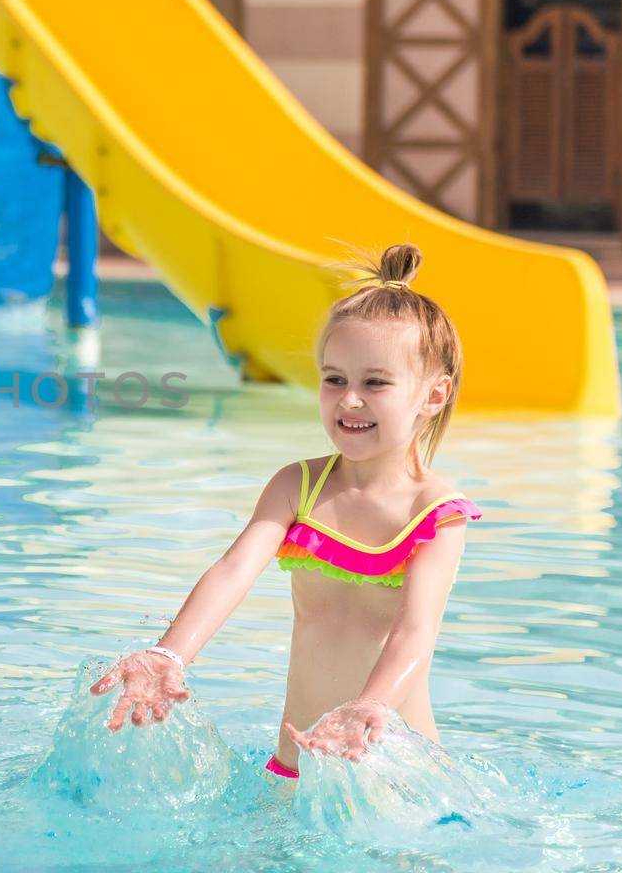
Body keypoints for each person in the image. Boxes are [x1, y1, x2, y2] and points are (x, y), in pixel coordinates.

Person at [90, 244, 482, 781]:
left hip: (393, 766)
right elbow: (233, 570)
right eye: (334, 379)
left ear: (433, 396)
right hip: (294, 762)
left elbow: (415, 631)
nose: (349, 400)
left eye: (375, 383)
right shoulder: (298, 486)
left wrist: (371, 706)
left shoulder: (435, 514)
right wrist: (170, 655)